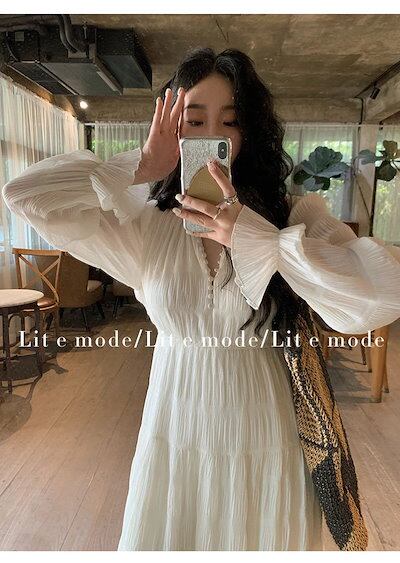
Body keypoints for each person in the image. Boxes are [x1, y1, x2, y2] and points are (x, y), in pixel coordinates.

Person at [2, 47, 400, 551]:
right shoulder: (145, 226)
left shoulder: (293, 217)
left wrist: (255, 238)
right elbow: (25, 196)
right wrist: (141, 166)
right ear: (172, 129)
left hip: (267, 431)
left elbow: (383, 290)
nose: (214, 136)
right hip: (175, 427)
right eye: (194, 121)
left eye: (230, 122)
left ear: (250, 132)